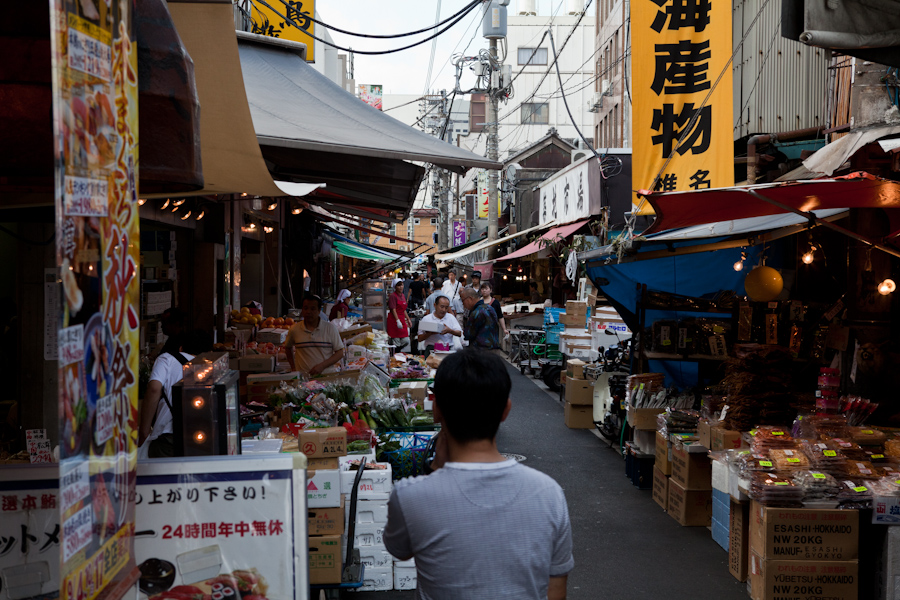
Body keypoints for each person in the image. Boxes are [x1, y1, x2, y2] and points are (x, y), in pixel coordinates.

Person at [383, 349, 574, 599]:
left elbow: (400, 550)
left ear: (436, 408)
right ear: (506, 410)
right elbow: (556, 589)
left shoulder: (409, 497)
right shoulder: (550, 494)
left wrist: (434, 469)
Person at [139, 329, 212, 457]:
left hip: (168, 435)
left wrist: (144, 431)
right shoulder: (211, 367)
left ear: (181, 348)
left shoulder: (167, 359)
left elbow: (154, 389)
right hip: (203, 437)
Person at [284, 294, 344, 376]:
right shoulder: (294, 329)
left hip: (326, 378)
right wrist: (293, 368)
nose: (308, 312)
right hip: (303, 379)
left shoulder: (330, 328)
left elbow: (340, 352)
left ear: (319, 310)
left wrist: (322, 366)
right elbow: (288, 348)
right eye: (305, 308)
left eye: (313, 309)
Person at [386, 278, 412, 350]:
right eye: (398, 286)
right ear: (395, 287)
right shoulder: (393, 296)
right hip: (394, 321)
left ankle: (398, 352)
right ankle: (396, 356)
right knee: (396, 342)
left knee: (406, 340)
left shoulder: (403, 295)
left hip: (402, 320)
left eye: (402, 285)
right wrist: (397, 320)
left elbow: (403, 309)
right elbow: (393, 309)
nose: (401, 287)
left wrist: (408, 319)